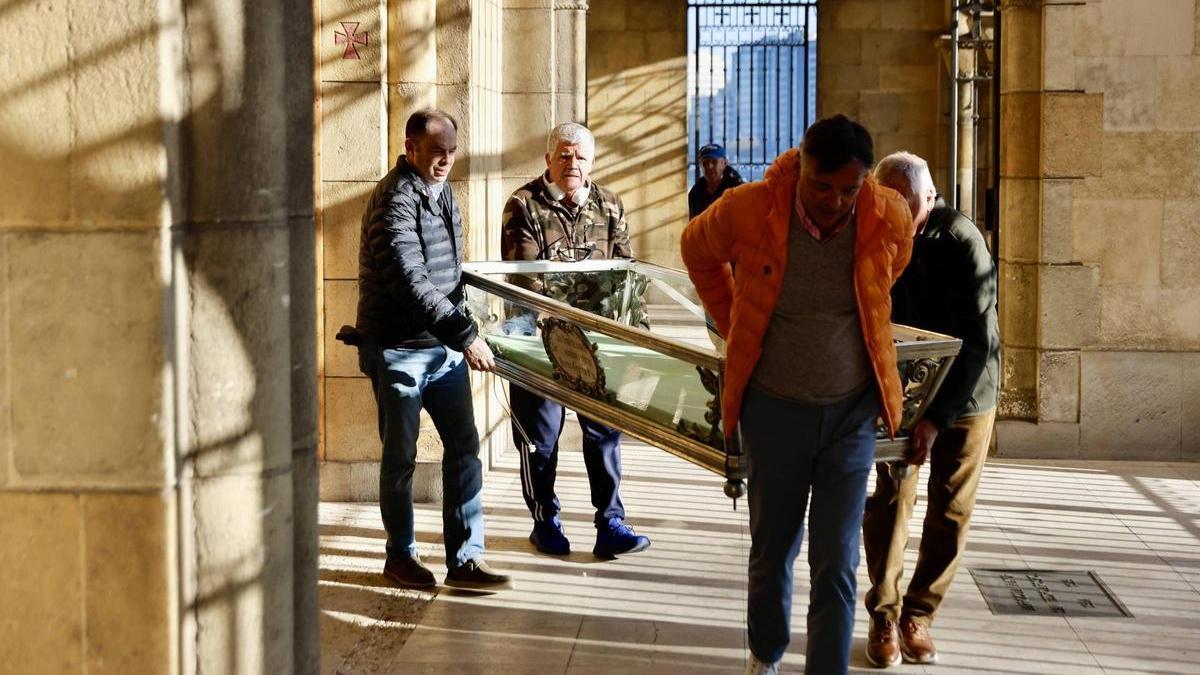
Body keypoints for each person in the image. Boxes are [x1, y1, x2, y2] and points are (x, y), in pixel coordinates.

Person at [681, 114, 914, 675]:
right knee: (773, 548)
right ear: (801, 166)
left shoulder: (889, 213)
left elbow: (888, 273)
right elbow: (695, 250)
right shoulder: (749, 206)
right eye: (821, 186)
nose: (835, 201)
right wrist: (734, 315)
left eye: (848, 190)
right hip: (774, 409)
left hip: (850, 415)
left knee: (837, 561)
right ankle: (766, 653)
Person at [345, 109, 511, 591]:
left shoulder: (443, 194)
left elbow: (452, 272)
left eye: (451, 152)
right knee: (401, 457)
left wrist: (468, 329)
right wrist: (466, 336)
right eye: (436, 152)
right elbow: (410, 282)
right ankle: (400, 556)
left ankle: (465, 559)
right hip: (398, 350)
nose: (445, 161)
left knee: (464, 449)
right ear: (410, 146)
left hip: (443, 351)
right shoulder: (393, 201)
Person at [862, 151, 1000, 667]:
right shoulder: (874, 232)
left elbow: (978, 340)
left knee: (952, 510)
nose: (896, 215)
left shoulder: (962, 242)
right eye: (887, 203)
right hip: (902, 388)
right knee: (892, 499)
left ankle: (919, 613)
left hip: (967, 392)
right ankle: (884, 615)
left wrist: (938, 421)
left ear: (930, 199)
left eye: (907, 205)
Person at [500, 122, 652, 559]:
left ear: (592, 162)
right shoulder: (523, 204)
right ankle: (544, 520)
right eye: (564, 155)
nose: (573, 164)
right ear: (548, 159)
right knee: (540, 439)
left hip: (598, 347)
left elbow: (626, 275)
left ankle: (611, 522)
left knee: (604, 434)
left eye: (581, 156)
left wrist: (637, 336)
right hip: (539, 345)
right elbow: (526, 281)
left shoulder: (610, 205)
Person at [688, 143, 745, 219]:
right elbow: (694, 223)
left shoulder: (737, 188)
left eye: (714, 162)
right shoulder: (695, 191)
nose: (709, 166)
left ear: (724, 163)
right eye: (705, 163)